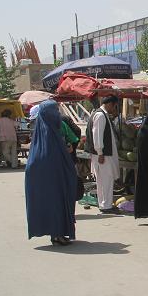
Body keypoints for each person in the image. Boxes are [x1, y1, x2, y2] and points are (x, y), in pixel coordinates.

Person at [25, 100, 77, 245]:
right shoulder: (49, 134)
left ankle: (58, 233)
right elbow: (54, 155)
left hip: (50, 175)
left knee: (55, 203)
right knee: (55, 203)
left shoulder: (45, 131)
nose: (58, 114)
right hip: (51, 177)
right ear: (48, 114)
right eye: (55, 110)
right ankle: (57, 234)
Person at [84, 95, 121, 214]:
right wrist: (100, 152)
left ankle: (104, 204)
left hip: (102, 154)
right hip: (103, 155)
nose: (114, 109)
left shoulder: (101, 114)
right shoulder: (100, 115)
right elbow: (97, 136)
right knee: (106, 180)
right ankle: (106, 206)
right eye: (114, 106)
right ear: (110, 104)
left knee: (103, 181)